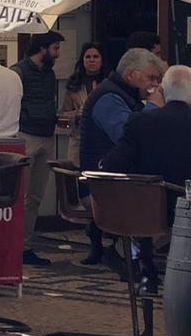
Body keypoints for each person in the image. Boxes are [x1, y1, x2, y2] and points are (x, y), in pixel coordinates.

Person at [101, 64, 191, 293]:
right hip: (187, 207)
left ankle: (148, 275)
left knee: (142, 205)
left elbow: (113, 164)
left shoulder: (141, 122)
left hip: (151, 211)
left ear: (163, 91)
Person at [79, 48, 165, 268]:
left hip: (118, 183)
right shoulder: (109, 98)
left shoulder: (125, 95)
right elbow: (128, 135)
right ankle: (122, 254)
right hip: (104, 188)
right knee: (171, 210)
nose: (154, 84)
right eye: (151, 78)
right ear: (131, 75)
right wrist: (154, 107)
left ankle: (134, 256)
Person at [12, 30, 64, 266]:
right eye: (55, 48)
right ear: (42, 48)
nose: (58, 53)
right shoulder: (19, 72)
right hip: (27, 134)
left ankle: (25, 245)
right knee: (21, 195)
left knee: (35, 196)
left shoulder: (49, 73)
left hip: (46, 135)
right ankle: (15, 245)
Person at [59, 42, 105, 169]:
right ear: (82, 60)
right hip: (78, 139)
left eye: (95, 57)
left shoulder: (107, 82)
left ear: (101, 60)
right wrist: (77, 113)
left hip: (101, 138)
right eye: (88, 57)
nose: (92, 60)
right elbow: (62, 115)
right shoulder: (74, 84)